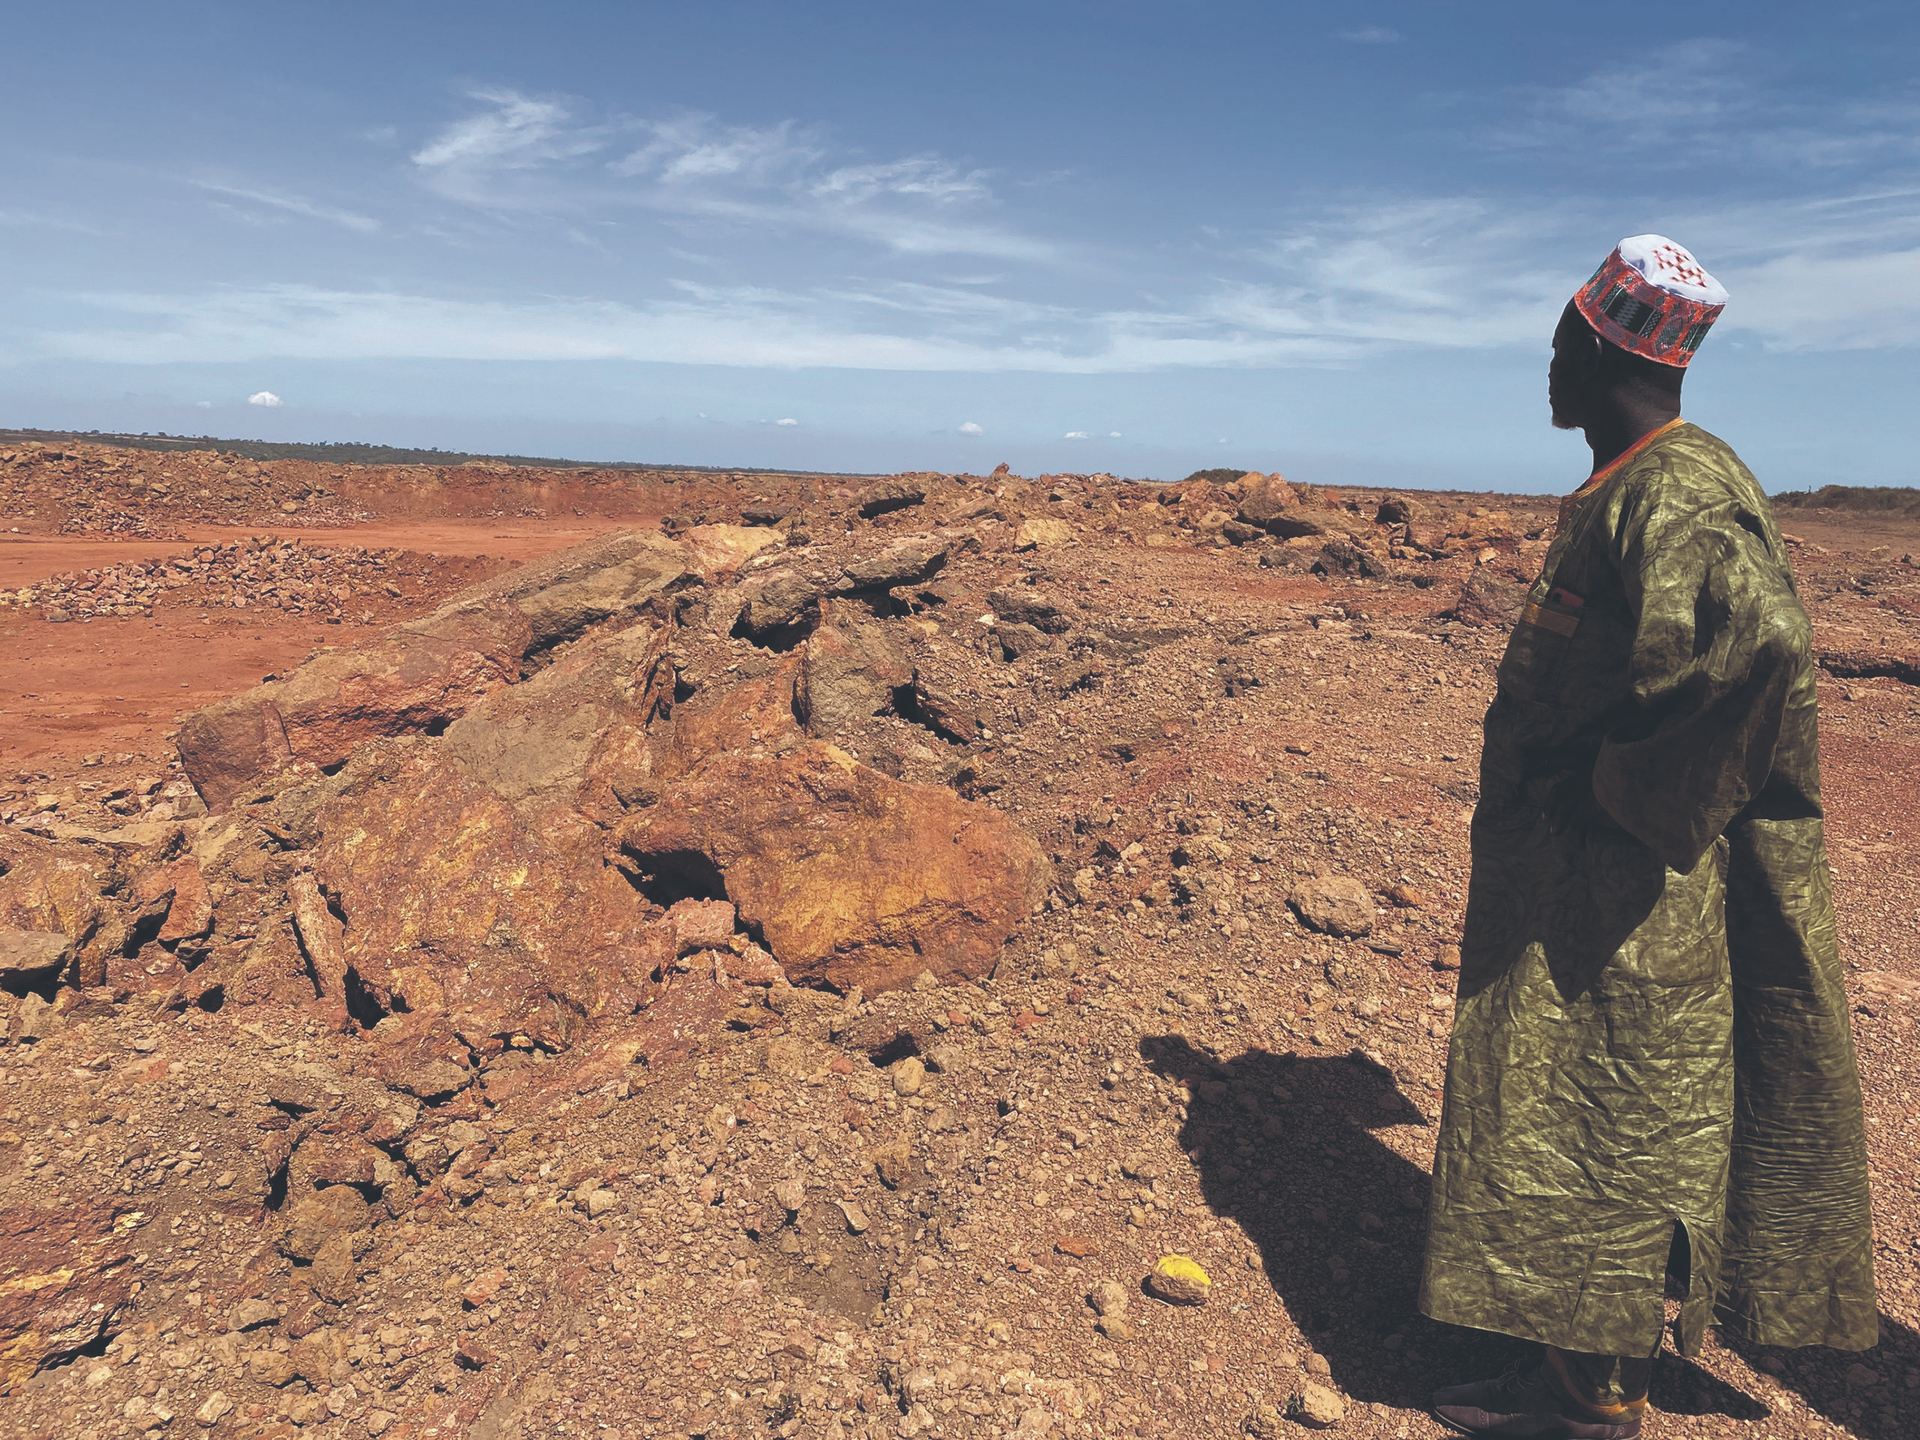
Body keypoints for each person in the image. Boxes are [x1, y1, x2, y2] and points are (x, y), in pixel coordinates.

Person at [1418, 236, 1877, 1439]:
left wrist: (1619, 794)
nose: (1549, 366)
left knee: (1615, 1114)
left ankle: (1592, 1400)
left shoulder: (1675, 491)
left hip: (1626, 893)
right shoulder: (1638, 480)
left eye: (1563, 342)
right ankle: (1576, 1365)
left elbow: (1760, 647)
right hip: (1586, 880)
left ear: (1608, 348)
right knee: (1583, 1105)